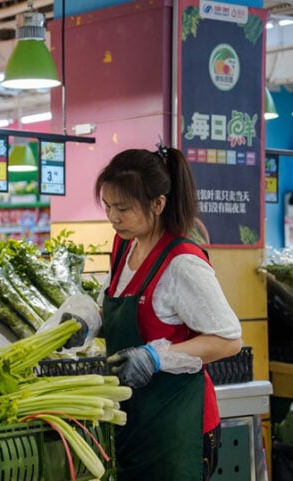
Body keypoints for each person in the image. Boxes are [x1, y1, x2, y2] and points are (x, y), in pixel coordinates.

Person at [94, 146, 242, 481]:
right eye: (107, 207)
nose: (113, 217)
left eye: (123, 208)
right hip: (136, 420)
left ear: (158, 204)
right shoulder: (125, 245)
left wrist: (156, 358)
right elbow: (113, 299)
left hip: (179, 427)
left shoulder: (183, 262)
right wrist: (87, 319)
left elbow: (229, 340)